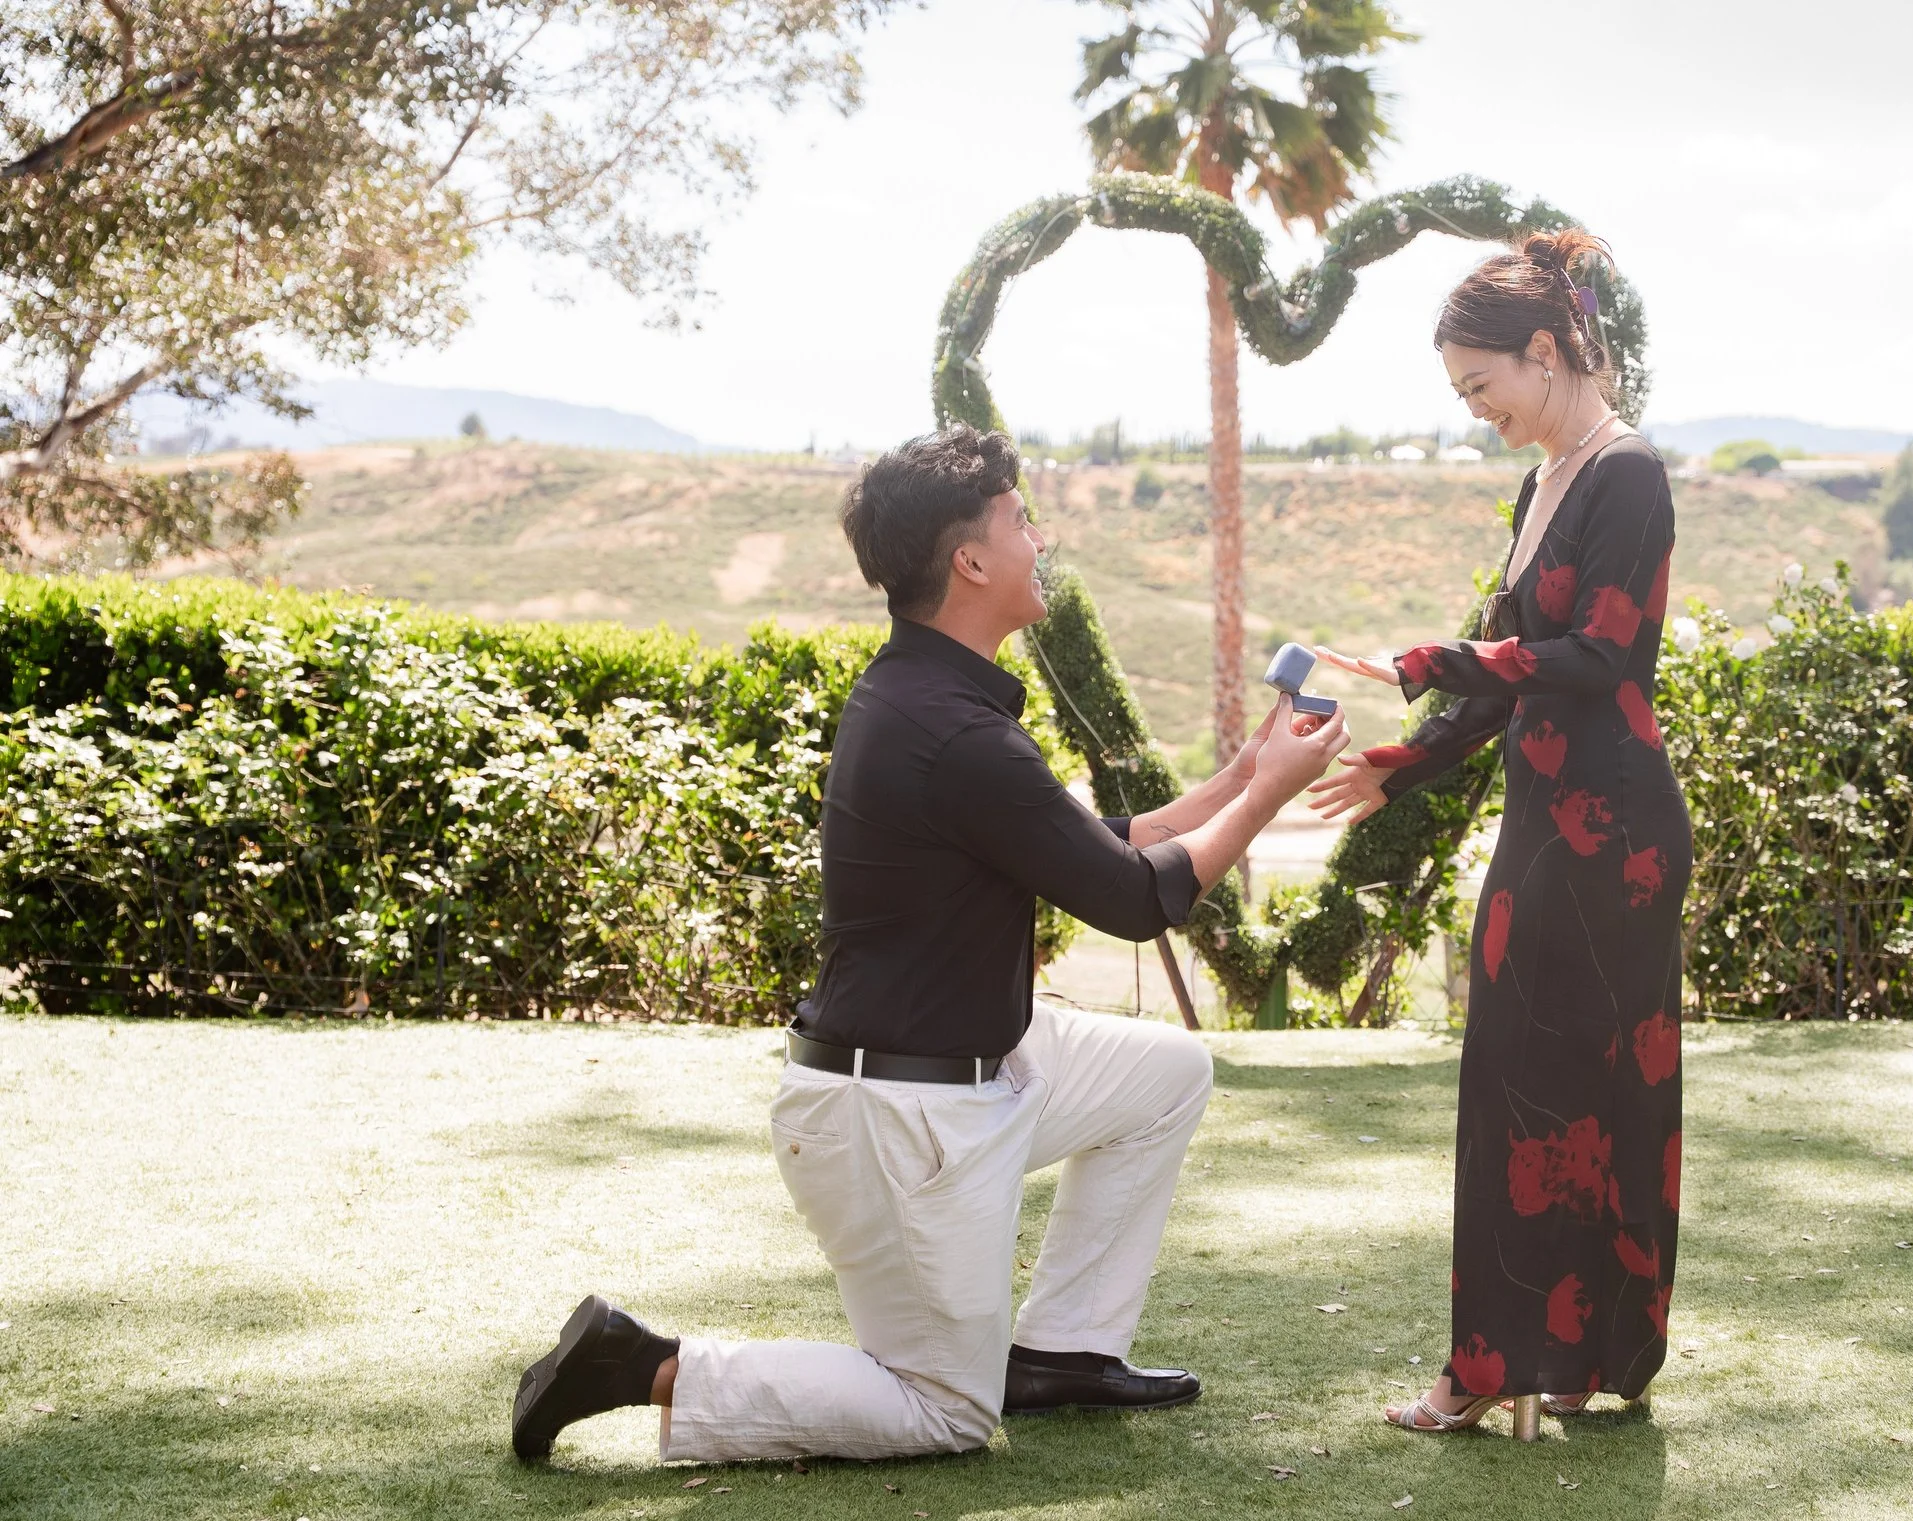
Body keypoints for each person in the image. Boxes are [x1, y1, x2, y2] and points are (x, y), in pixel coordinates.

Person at [511, 426, 1346, 1463]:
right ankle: (642, 1362)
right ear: (972, 561)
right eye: (1020, 519)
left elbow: (1092, 848)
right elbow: (1135, 900)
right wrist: (1271, 794)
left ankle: (1062, 1352)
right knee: (944, 1410)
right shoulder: (957, 735)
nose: (1042, 538)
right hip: (899, 1119)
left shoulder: (930, 699)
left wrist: (1236, 777)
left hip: (958, 1071)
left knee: (1167, 1068)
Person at [1309, 230, 1689, 1434]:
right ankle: (1509, 1359)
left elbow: (1599, 655)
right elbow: (1510, 667)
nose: (1476, 413)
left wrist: (1428, 658)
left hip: (1615, 839)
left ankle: (1572, 1362)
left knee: (1598, 1093)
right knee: (1516, 1092)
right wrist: (1401, 764)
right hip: (1542, 835)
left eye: (1481, 387)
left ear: (1544, 350)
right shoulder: (1546, 481)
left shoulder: (1627, 474)